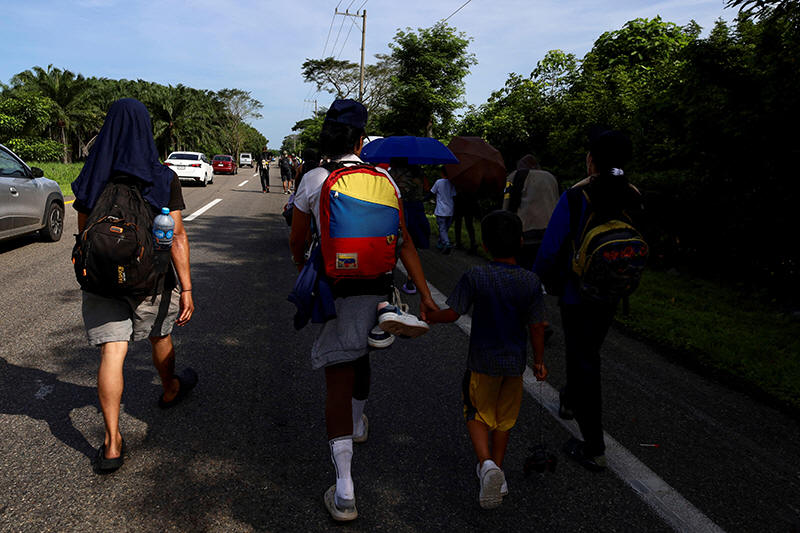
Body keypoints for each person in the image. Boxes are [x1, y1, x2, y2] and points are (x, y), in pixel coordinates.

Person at [289, 99, 438, 522]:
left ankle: (344, 491)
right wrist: (426, 295)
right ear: (360, 141)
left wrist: (305, 271)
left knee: (338, 376)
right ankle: (358, 422)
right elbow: (404, 241)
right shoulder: (384, 179)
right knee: (362, 355)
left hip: (337, 289)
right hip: (377, 287)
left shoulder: (314, 179)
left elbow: (297, 241)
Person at [71, 98, 196, 474]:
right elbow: (177, 236)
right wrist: (187, 288)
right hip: (151, 279)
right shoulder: (162, 176)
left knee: (112, 352)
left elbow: (84, 234)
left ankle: (111, 444)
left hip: (103, 281)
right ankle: (170, 388)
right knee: (160, 335)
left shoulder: (93, 174)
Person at [533, 129, 642, 471]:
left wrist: (535, 281)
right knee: (587, 351)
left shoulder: (577, 196)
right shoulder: (633, 195)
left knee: (584, 360)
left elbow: (550, 249)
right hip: (613, 290)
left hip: (576, 293)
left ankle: (593, 446)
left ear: (592, 159)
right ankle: (570, 399)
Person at [427, 210, 547, 509]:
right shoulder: (531, 282)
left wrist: (430, 316)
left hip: (482, 362)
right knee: (504, 419)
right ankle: (498, 471)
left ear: (484, 246)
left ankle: (486, 464)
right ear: (521, 242)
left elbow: (453, 313)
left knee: (477, 412)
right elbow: (537, 326)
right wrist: (539, 361)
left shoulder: (476, 276)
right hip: (514, 364)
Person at [502, 154, 560, 270]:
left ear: (520, 166)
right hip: (550, 235)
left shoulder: (514, 176)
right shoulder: (550, 177)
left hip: (525, 235)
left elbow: (506, 207)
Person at [388, 157, 430, 294]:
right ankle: (411, 280)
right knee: (413, 245)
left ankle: (389, 278)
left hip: (398, 208)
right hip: (416, 209)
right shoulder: (418, 172)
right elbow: (426, 189)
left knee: (395, 243)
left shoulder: (393, 172)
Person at [429, 175, 457, 254]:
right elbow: (454, 196)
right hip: (450, 210)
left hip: (441, 210)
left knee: (442, 228)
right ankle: (440, 243)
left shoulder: (438, 182)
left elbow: (432, 192)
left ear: (442, 173)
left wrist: (422, 199)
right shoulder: (452, 183)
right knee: (445, 229)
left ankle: (446, 243)